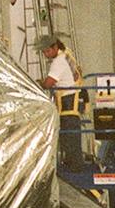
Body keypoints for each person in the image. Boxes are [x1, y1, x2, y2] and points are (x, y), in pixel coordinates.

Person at [36, 33, 85, 169]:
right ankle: (74, 163)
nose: (45, 54)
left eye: (47, 51)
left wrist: (40, 83)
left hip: (69, 101)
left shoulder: (58, 62)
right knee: (71, 135)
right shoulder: (67, 54)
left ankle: (74, 166)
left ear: (55, 47)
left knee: (70, 136)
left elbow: (49, 83)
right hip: (75, 98)